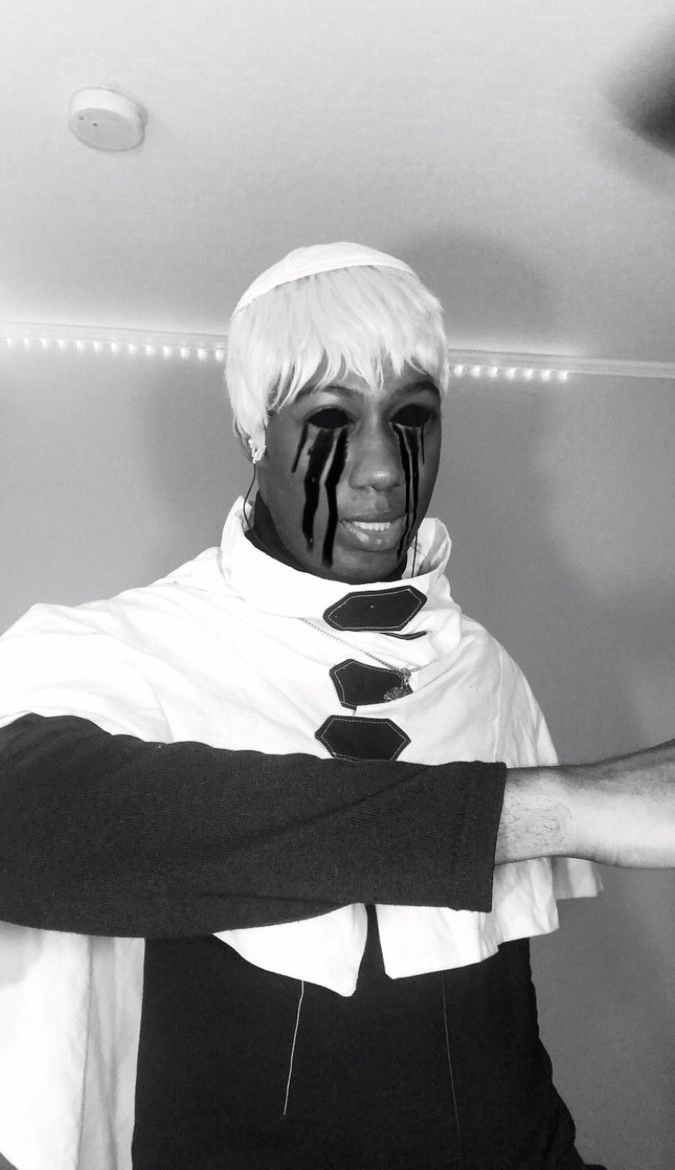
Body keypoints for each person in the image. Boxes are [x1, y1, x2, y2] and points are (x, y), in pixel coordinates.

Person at [0, 242, 673, 1170]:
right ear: (253, 433)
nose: (382, 469)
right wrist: (556, 808)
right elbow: (24, 824)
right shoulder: (128, 649)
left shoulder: (481, 670)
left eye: (412, 416)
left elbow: (495, 1017)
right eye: (328, 418)